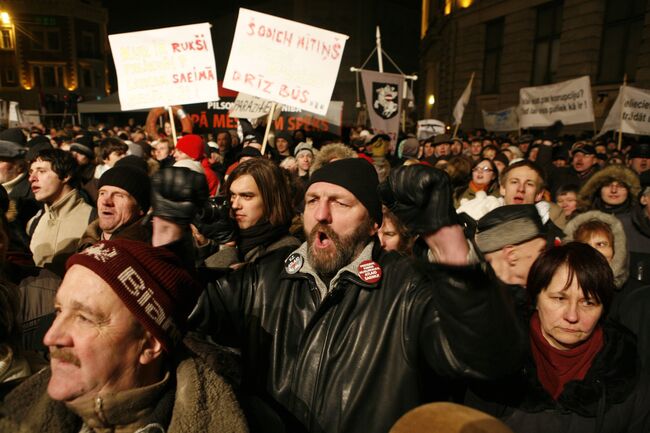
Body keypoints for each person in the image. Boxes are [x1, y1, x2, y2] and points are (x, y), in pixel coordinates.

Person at [181, 159, 524, 433]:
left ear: (374, 224)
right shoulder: (264, 278)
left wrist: (446, 238)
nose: (321, 215)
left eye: (340, 203)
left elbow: (486, 359)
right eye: (313, 200)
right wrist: (173, 229)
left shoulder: (409, 289)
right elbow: (178, 312)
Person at [0, 239, 248, 432]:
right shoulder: (11, 412)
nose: (50, 337)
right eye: (58, 311)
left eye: (84, 318)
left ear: (149, 344)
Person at [465, 242, 650, 433]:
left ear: (603, 309)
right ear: (536, 298)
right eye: (559, 299)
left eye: (588, 302)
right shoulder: (498, 360)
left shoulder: (624, 371)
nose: (572, 316)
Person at [201, 158, 299, 269]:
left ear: (272, 200)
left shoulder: (286, 250)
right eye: (233, 195)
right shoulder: (231, 235)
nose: (235, 205)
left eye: (247, 196)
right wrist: (204, 243)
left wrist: (228, 251)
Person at [26, 149, 95, 276]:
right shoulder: (34, 221)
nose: (32, 178)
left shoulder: (93, 220)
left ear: (65, 176)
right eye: (31, 172)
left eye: (41, 171)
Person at [77, 165, 152, 250]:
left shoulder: (145, 252)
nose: (106, 202)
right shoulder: (87, 241)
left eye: (118, 195)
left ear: (140, 208)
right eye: (102, 193)